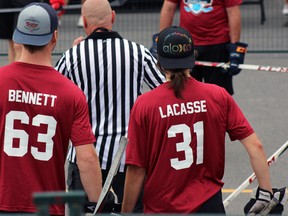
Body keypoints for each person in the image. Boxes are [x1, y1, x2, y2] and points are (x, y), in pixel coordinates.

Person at [121, 26, 284, 214]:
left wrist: (126, 212)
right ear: (193, 59)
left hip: (162, 208)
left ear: (159, 62)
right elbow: (256, 146)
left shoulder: (145, 104)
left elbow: (136, 169)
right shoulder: (218, 95)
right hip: (209, 206)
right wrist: (266, 192)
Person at [54, 0, 165, 212]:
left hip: (84, 156)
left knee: (84, 212)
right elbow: (166, 91)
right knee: (134, 211)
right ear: (113, 17)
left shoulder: (71, 58)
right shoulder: (138, 53)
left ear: (84, 21)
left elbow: (53, 95)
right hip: (129, 155)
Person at [0, 2, 102, 215]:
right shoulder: (70, 93)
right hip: (46, 207)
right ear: (54, 36)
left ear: (18, 38)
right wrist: (97, 204)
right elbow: (87, 158)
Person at [156, 0, 248, 95]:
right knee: (184, 92)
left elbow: (233, 13)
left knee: (218, 94)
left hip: (217, 44)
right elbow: (169, 7)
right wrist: (162, 39)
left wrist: (235, 46)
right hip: (186, 45)